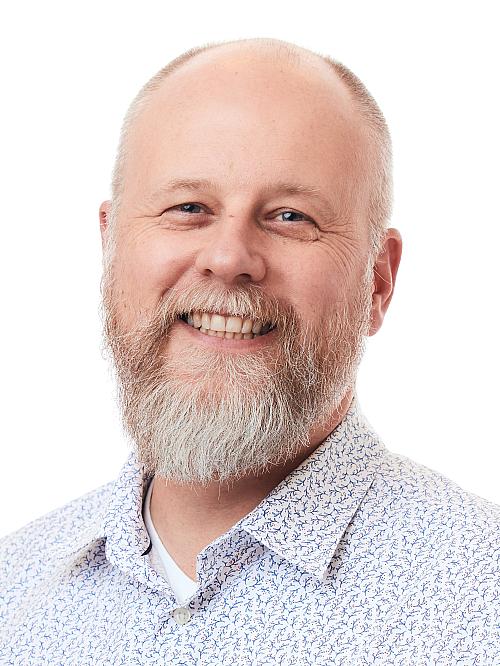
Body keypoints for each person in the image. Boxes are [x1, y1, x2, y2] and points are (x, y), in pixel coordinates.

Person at [1, 36, 498, 665]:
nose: (228, 257)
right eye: (188, 208)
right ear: (110, 247)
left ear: (378, 281)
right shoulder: (13, 594)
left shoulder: (482, 601)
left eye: (290, 217)